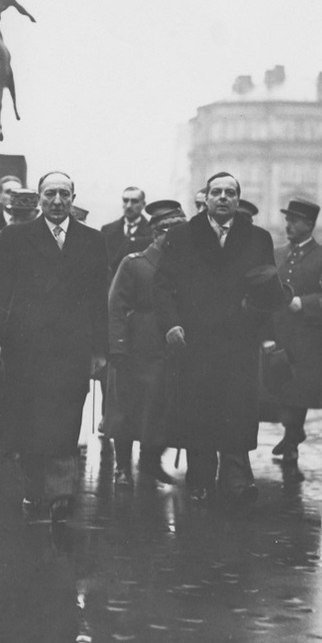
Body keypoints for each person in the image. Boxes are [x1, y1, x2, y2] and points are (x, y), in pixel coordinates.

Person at [0, 171, 108, 522]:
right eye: (50, 193)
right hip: (25, 346)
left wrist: (100, 350)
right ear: (39, 197)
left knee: (66, 418)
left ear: (73, 197)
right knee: (30, 421)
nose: (57, 201)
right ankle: (36, 487)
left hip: (73, 348)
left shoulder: (92, 241)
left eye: (64, 194)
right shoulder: (14, 238)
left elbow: (100, 299)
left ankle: (61, 492)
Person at [152, 172, 277, 506]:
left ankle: (237, 480)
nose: (223, 198)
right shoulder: (181, 236)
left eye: (230, 193)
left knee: (236, 409)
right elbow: (162, 285)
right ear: (205, 198)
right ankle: (201, 480)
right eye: (216, 192)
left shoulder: (257, 238)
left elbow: (270, 290)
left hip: (238, 340)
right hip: (195, 340)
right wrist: (171, 325)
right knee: (198, 411)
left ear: (238, 200)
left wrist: (256, 320)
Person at [105, 199, 186, 486]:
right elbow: (115, 305)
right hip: (137, 344)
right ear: (157, 233)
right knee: (127, 410)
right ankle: (122, 468)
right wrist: (117, 347)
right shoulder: (134, 263)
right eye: (169, 232)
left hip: (170, 348)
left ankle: (151, 461)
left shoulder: (184, 266)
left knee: (161, 408)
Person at [265, 199, 322, 466]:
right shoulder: (276, 254)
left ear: (309, 225)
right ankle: (293, 432)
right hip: (278, 330)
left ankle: (291, 442)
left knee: (298, 390)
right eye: (287, 220)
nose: (288, 225)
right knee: (278, 384)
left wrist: (305, 303)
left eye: (294, 221)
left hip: (307, 336)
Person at [101, 186, 153, 276]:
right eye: (125, 200)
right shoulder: (107, 230)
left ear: (143, 204)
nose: (129, 206)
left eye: (134, 201)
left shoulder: (152, 232)